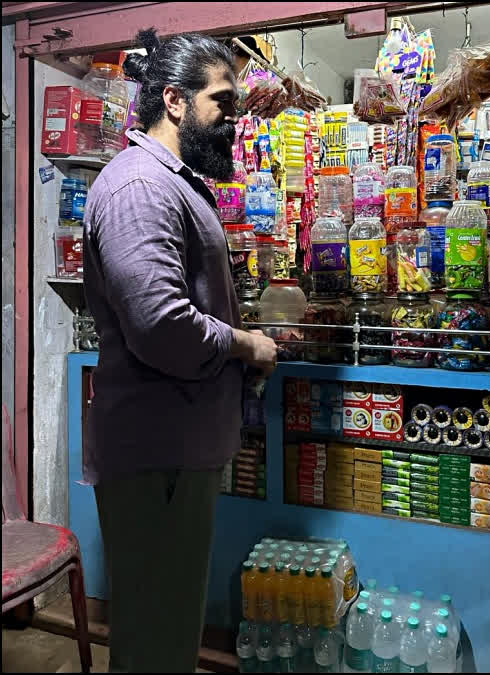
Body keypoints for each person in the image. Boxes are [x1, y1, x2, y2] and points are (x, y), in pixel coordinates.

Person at [82, 28, 277, 672]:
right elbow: (161, 324)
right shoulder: (141, 187)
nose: (234, 120)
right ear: (174, 99)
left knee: (166, 628)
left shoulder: (175, 183)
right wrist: (246, 342)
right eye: (223, 102)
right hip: (155, 455)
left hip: (175, 448)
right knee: (156, 641)